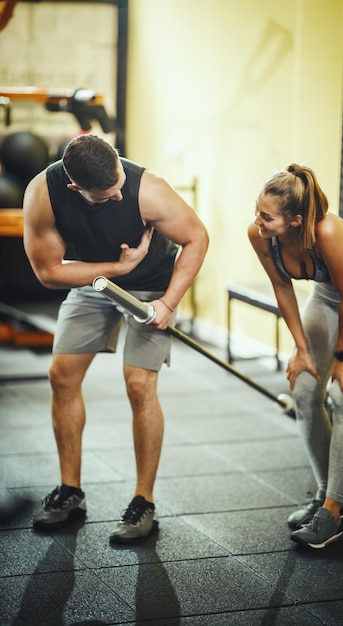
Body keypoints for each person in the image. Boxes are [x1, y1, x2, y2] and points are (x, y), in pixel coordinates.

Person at [23, 134, 209, 543]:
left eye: (121, 183)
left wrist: (169, 303)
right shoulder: (43, 192)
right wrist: (118, 269)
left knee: (140, 385)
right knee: (62, 376)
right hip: (95, 280)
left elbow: (197, 238)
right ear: (76, 188)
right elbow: (48, 272)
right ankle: (70, 491)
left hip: (152, 289)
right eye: (109, 196)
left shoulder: (149, 190)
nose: (120, 194)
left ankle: (144, 501)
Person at [248, 163, 343, 549]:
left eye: (267, 216)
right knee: (303, 390)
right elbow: (283, 289)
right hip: (327, 299)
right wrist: (302, 350)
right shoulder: (260, 235)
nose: (258, 221)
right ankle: (324, 494)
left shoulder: (328, 231)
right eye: (257, 211)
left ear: (297, 220)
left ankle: (333, 511)